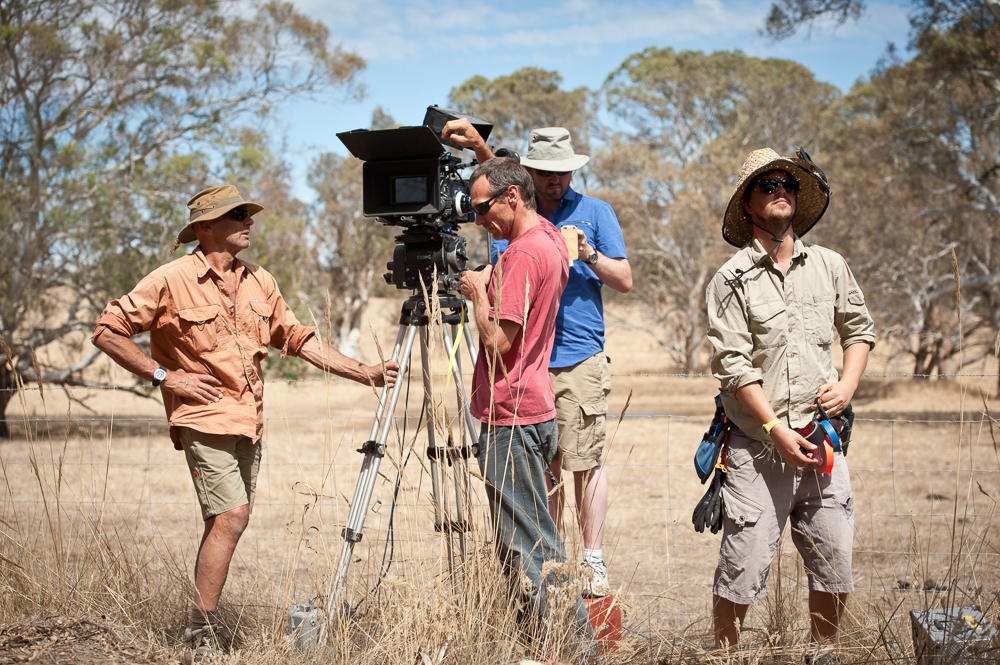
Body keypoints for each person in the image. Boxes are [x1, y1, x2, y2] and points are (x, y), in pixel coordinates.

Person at [92, 185, 399, 660]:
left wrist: (365, 373)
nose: (249, 222)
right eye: (238, 215)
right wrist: (166, 376)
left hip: (248, 421)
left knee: (225, 521)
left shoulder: (260, 280)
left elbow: (297, 338)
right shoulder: (170, 279)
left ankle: (197, 631)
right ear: (205, 227)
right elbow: (107, 330)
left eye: (248, 215)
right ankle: (201, 636)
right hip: (202, 417)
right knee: (232, 517)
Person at [443, 121, 632, 598]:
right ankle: (556, 563)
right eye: (544, 173)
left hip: (567, 358)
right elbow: (501, 188)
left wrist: (587, 254)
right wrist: (484, 152)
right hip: (530, 366)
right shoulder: (529, 225)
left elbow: (625, 279)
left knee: (582, 461)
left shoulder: (585, 216)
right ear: (527, 178)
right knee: (541, 480)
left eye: (562, 173)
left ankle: (588, 563)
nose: (554, 181)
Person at [705, 148, 875, 658]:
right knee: (743, 567)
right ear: (749, 205)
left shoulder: (830, 265)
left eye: (789, 183)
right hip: (757, 449)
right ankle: (727, 656)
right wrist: (776, 429)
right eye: (768, 184)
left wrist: (846, 387)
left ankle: (821, 654)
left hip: (823, 444)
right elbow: (734, 367)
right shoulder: (730, 278)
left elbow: (859, 331)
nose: (781, 189)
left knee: (834, 561)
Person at [457, 157, 592, 644]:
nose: (477, 220)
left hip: (511, 413)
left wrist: (477, 292)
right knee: (525, 541)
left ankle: (577, 647)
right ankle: (538, 643)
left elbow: (497, 343)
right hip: (536, 407)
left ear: (512, 197)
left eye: (481, 208)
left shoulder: (520, 256)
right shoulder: (552, 239)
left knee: (532, 544)